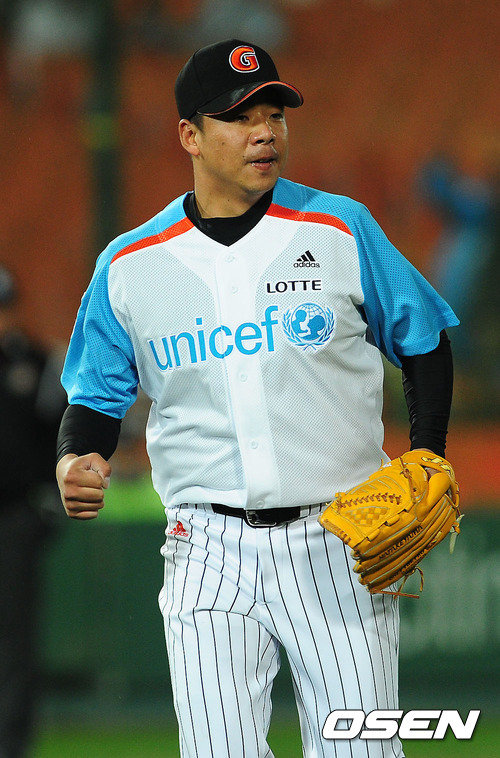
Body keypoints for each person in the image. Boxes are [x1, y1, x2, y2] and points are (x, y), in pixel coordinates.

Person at [56, 39, 459, 758]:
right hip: (205, 546)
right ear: (190, 136)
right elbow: (95, 395)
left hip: (340, 539)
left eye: (274, 114)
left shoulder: (339, 227)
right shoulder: (130, 264)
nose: (265, 132)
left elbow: (424, 339)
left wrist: (427, 451)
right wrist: (75, 456)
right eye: (239, 118)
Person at [0, 265, 65, 758]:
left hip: (13, 519)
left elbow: (59, 442)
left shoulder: (35, 365)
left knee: (14, 643)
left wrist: (45, 510)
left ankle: (11, 745)